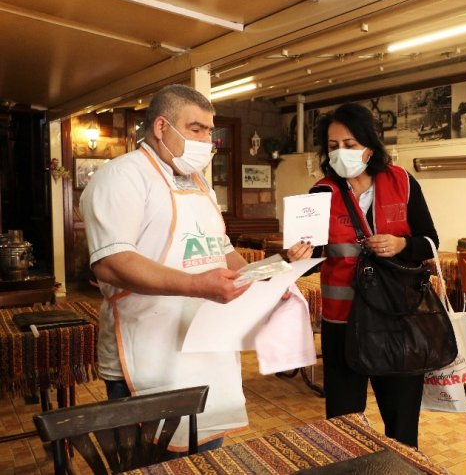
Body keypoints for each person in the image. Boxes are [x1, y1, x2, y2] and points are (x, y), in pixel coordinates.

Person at [80, 84, 308, 454]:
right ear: (161, 127)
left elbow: (222, 251)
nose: (208, 140)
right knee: (152, 460)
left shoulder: (201, 183)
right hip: (148, 349)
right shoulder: (122, 177)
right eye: (196, 129)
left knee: (206, 456)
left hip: (208, 346)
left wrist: (271, 275)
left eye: (210, 131)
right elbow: (111, 263)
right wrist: (196, 286)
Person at [287, 102, 439, 448]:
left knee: (402, 427)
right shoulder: (320, 193)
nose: (341, 152)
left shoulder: (403, 182)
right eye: (333, 146)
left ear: (370, 146)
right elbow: (311, 258)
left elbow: (430, 242)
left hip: (398, 320)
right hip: (343, 326)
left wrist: (402, 244)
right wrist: (295, 255)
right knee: (343, 428)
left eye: (350, 144)